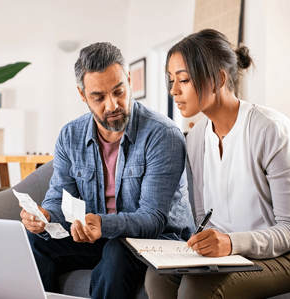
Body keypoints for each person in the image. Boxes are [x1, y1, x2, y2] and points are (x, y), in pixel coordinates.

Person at [145, 29, 290, 298]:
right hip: (233, 254)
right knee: (157, 278)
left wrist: (231, 243)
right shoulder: (195, 138)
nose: (174, 90)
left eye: (183, 79)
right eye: (171, 80)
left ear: (218, 78)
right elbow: (203, 218)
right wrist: (204, 245)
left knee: (196, 289)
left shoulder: (271, 130)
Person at [19, 42, 195, 299]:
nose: (112, 105)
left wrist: (102, 224)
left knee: (116, 250)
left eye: (119, 92)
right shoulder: (70, 135)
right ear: (83, 95)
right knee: (35, 241)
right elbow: (59, 198)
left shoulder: (162, 134)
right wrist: (45, 215)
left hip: (160, 241)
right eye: (98, 97)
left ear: (129, 81)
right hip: (100, 235)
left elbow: (153, 219)